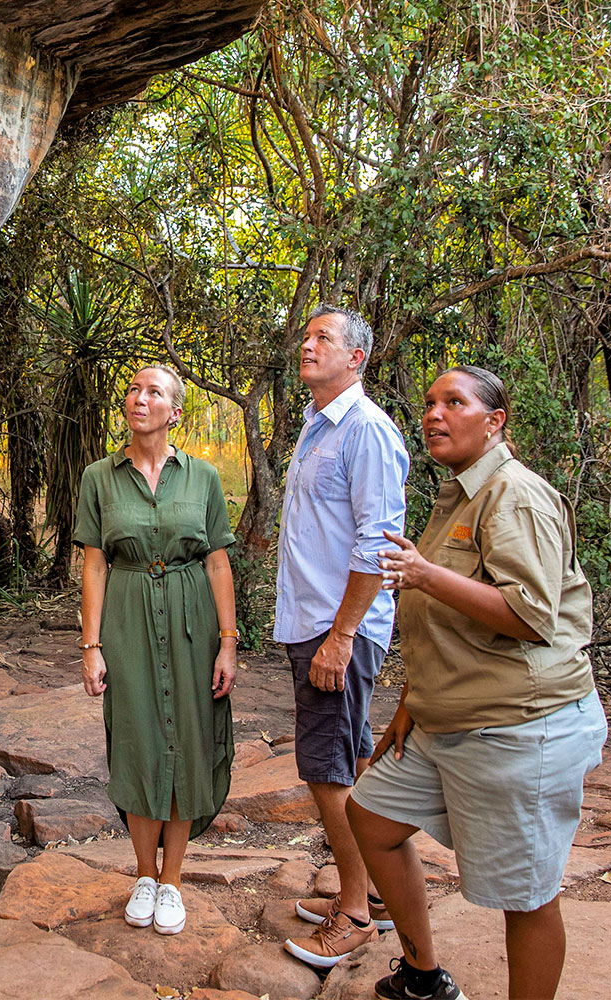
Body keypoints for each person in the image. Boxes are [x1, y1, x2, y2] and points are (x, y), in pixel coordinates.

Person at [347, 365, 608, 1000]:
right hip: (445, 719)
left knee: (526, 895)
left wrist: (426, 574)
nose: (434, 414)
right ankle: (423, 976)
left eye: (453, 403)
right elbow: (442, 626)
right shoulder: (458, 496)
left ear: (494, 423)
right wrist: (409, 706)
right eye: (430, 403)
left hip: (518, 726)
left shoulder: (513, 495)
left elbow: (529, 614)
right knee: (372, 816)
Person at [75, 364, 239, 936]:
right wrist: (91, 645)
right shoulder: (100, 476)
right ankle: (145, 873)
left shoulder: (204, 477)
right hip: (127, 619)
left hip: (194, 618)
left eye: (155, 392)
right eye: (134, 389)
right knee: (139, 738)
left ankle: (173, 880)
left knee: (188, 743)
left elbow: (218, 561)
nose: (139, 398)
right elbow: (94, 564)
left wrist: (228, 642)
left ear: (175, 412)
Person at [276, 305, 410, 968]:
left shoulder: (366, 431)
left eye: (322, 338)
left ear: (356, 358)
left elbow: (378, 545)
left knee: (325, 770)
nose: (308, 344)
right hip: (316, 621)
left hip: (338, 630)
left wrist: (341, 635)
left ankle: (354, 912)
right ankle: (379, 895)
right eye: (307, 335)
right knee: (353, 759)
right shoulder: (316, 427)